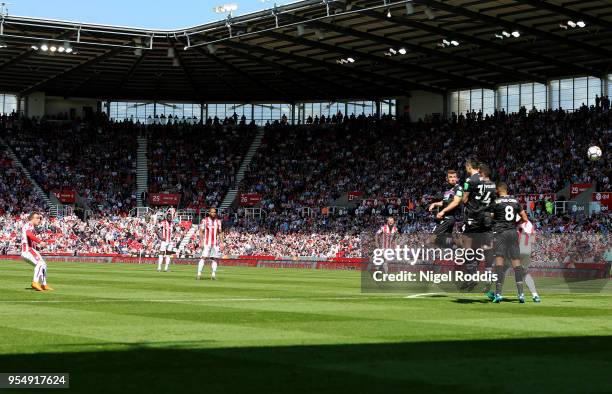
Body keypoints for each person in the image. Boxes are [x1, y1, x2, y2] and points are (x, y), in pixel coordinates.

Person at [489, 182, 530, 303]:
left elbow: (490, 217)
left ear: (498, 190)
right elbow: (525, 219)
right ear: (506, 190)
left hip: (500, 233)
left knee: (499, 264)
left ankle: (498, 295)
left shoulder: (495, 202)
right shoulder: (516, 202)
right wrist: (515, 224)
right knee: (517, 264)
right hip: (512, 232)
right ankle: (521, 295)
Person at [21, 212, 53, 291]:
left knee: (43, 265)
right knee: (41, 263)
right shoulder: (29, 225)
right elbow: (29, 234)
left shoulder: (30, 226)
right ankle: (35, 282)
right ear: (31, 219)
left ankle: (43, 285)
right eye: (37, 218)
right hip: (28, 249)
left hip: (29, 249)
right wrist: (40, 242)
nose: (39, 220)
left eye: (39, 218)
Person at [430, 169, 463, 247]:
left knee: (432, 239)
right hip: (445, 218)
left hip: (449, 218)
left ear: (457, 178)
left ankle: (429, 257)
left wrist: (443, 211)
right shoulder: (447, 189)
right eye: (450, 177)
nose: (453, 179)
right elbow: (444, 202)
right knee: (446, 241)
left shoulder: (458, 188)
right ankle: (461, 249)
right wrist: (435, 204)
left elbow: (456, 202)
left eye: (454, 177)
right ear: (447, 179)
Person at [197, 208, 223, 280]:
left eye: (214, 212)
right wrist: (201, 242)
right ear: (209, 213)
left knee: (215, 259)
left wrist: (222, 243)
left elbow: (220, 232)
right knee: (203, 258)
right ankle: (199, 274)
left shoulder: (218, 221)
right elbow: (201, 231)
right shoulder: (204, 220)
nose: (213, 213)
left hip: (215, 243)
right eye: (212, 212)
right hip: (206, 243)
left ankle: (213, 275)